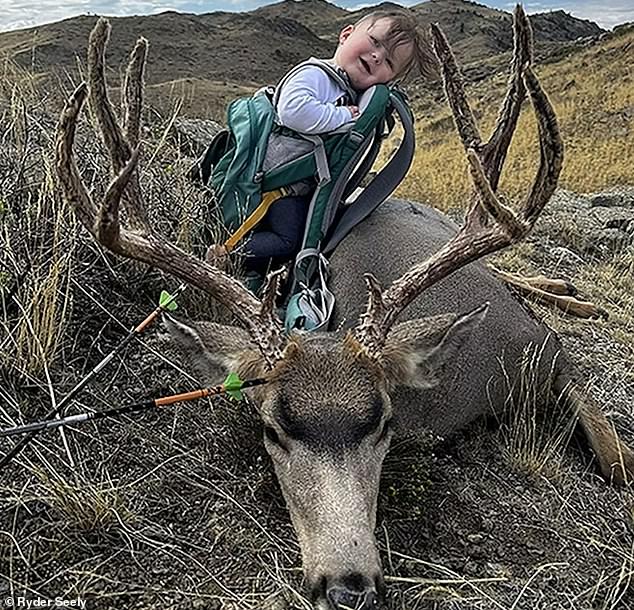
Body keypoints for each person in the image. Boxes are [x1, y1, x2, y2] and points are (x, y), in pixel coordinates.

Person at [208, 10, 436, 274]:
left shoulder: (346, 90)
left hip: (290, 186)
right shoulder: (317, 75)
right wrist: (340, 116)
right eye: (375, 42)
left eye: (388, 62)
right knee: (288, 242)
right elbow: (293, 112)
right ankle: (225, 255)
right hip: (271, 186)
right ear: (346, 35)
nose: (376, 56)